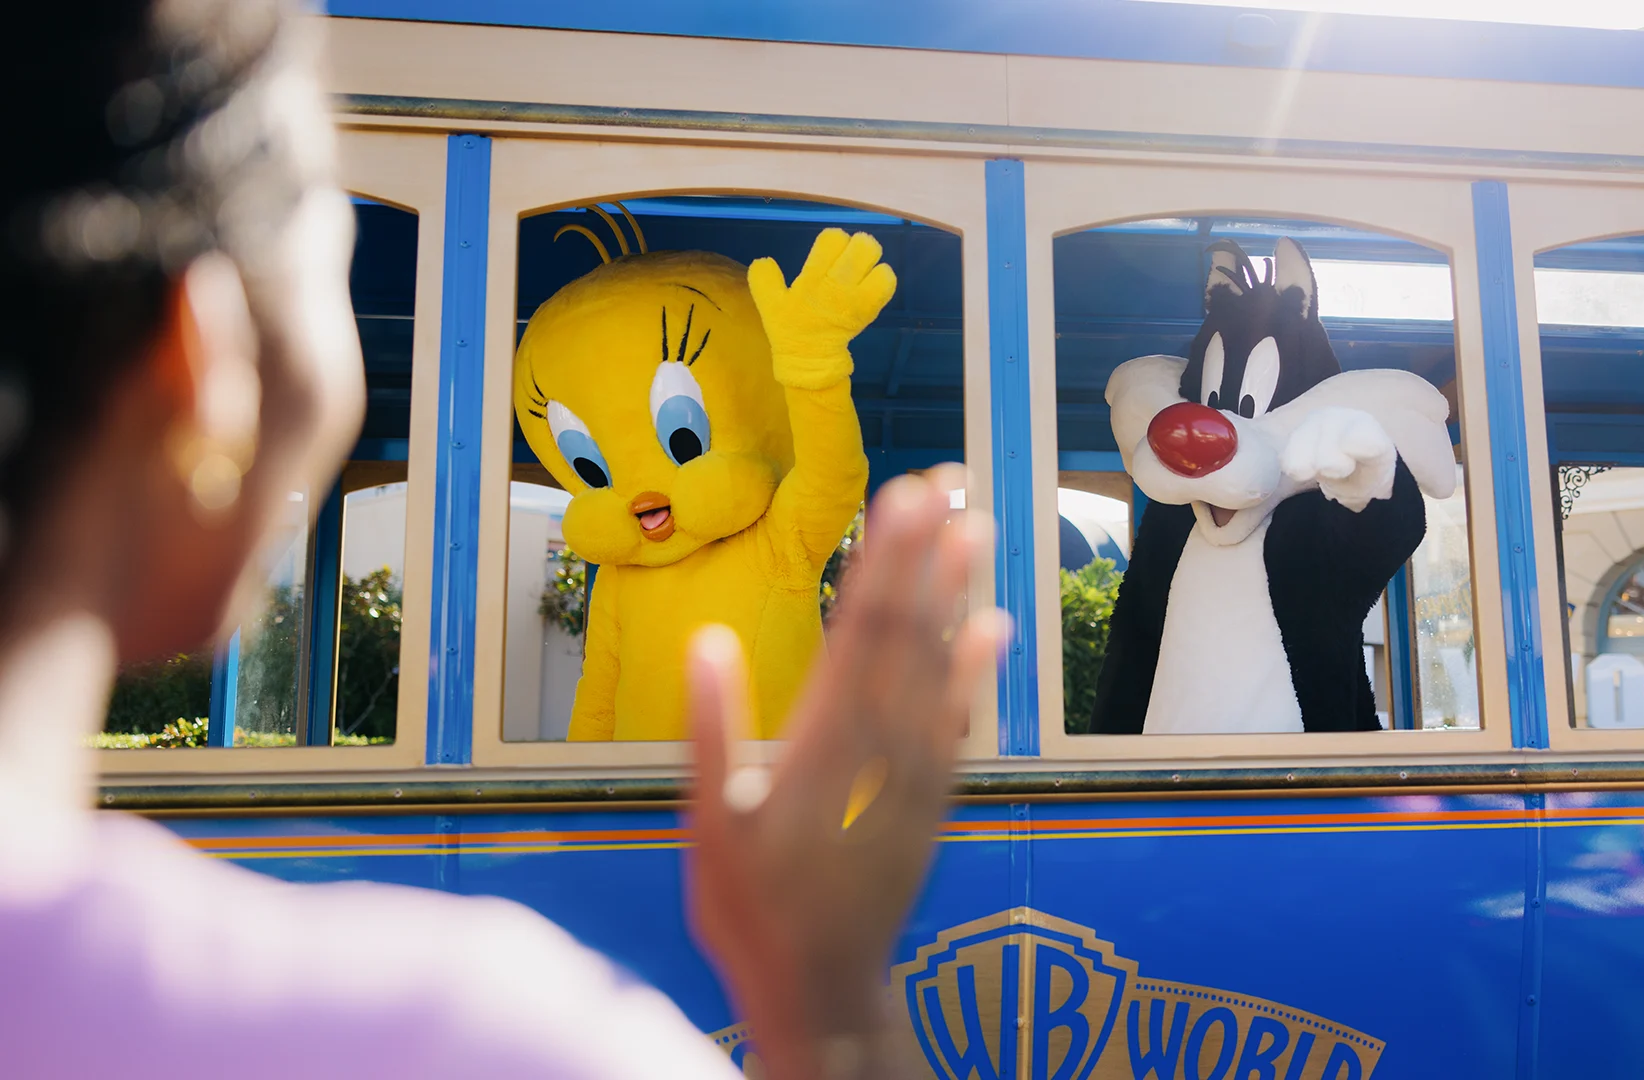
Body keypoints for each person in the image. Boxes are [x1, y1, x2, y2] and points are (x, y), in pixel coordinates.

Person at [0, 2, 1007, 1077]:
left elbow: (824, 487)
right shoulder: (484, 1032)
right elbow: (592, 708)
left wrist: (808, 369)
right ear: (202, 365)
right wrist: (828, 1014)